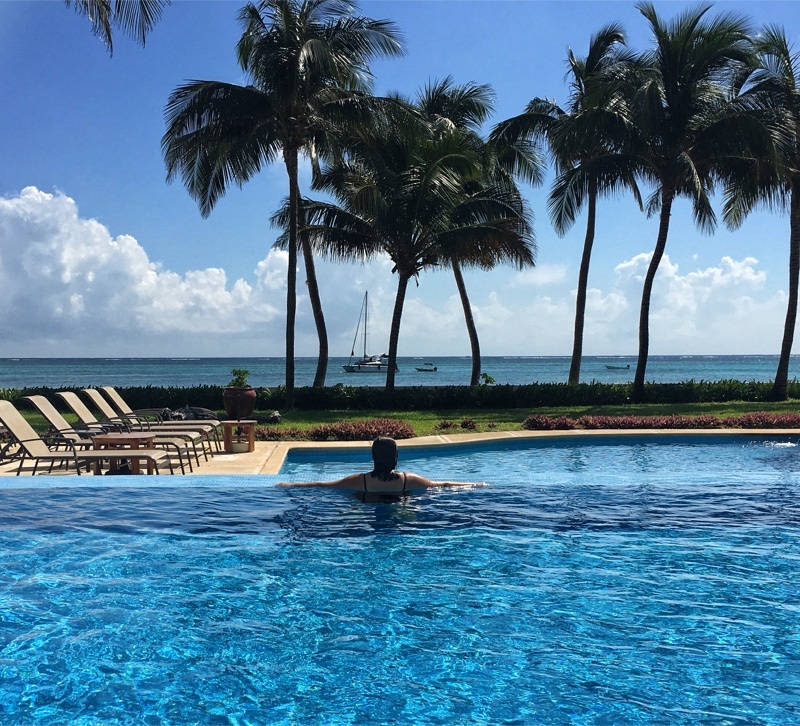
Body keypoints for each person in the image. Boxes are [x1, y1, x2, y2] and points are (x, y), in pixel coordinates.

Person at [277, 436, 483, 495]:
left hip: (367, 503)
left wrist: (291, 486)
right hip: (401, 499)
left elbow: (323, 486)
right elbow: (443, 485)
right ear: (396, 456)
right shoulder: (408, 479)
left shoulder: (360, 480)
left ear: (373, 456)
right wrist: (475, 484)